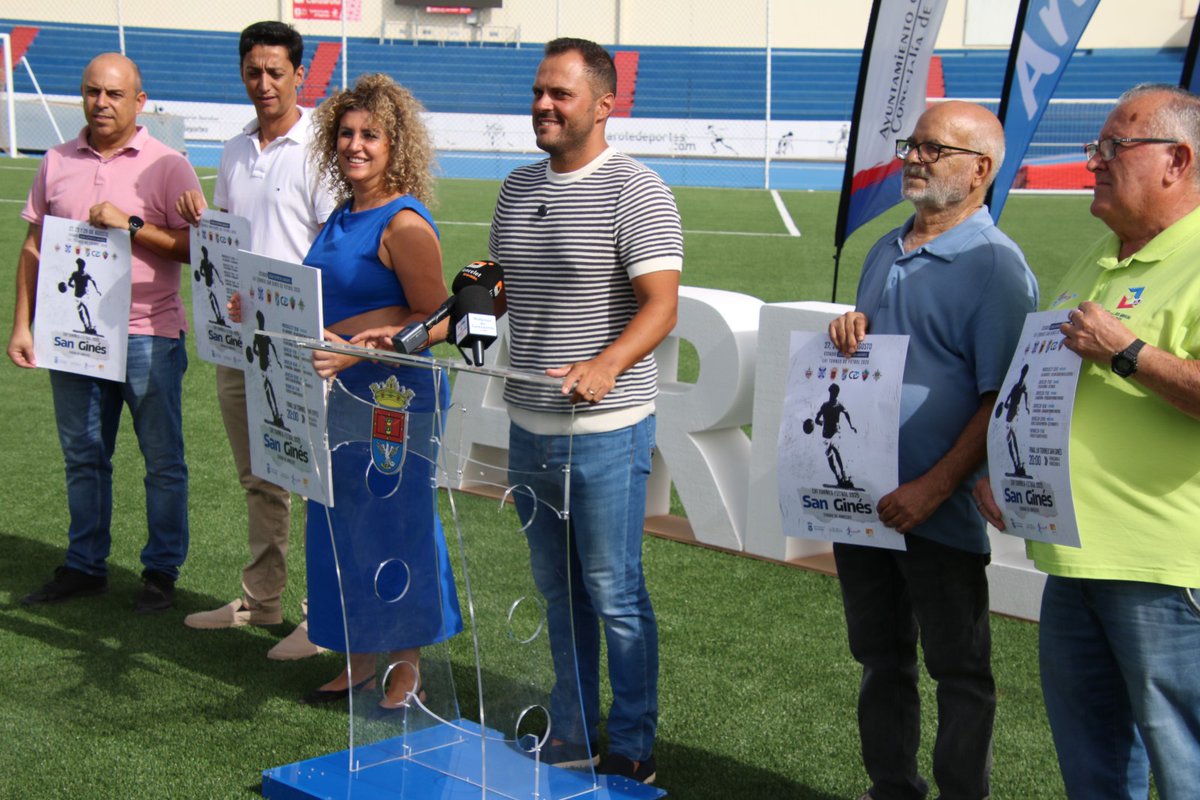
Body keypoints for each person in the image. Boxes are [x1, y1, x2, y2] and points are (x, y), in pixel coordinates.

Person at [974, 83, 1200, 799]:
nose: (1092, 163)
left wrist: (1129, 352)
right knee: (1094, 767)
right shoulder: (1097, 259)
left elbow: (1120, 359)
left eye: (1113, 147)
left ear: (1177, 160)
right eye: (1094, 148)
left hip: (1167, 569)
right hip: (1074, 559)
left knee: (1186, 763)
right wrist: (1006, 470)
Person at [827, 101, 1038, 800]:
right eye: (911, 143)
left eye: (933, 147)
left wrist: (936, 486)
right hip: (863, 504)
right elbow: (878, 355)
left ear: (979, 170)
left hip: (936, 512)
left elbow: (1000, 398)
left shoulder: (996, 268)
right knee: (880, 659)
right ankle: (891, 787)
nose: (913, 157)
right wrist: (850, 330)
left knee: (959, 671)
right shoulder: (885, 247)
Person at [487, 37, 682, 784]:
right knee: (557, 590)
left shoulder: (636, 189)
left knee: (614, 593)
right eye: (539, 90)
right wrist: (420, 332)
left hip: (604, 433)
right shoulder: (515, 186)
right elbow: (494, 288)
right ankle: (572, 727)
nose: (543, 104)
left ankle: (633, 739)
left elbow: (660, 305)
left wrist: (606, 364)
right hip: (527, 425)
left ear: (605, 105)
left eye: (560, 94)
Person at [9, 53, 200, 613]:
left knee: (162, 461)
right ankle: (84, 565)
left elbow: (198, 251)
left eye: (115, 94)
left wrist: (132, 225)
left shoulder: (168, 165)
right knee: (84, 455)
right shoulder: (56, 160)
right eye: (93, 92)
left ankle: (161, 573)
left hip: (149, 334)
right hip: (73, 336)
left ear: (139, 101)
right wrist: (24, 324)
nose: (101, 103)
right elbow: (35, 246)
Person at [297, 73, 462, 709]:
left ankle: (406, 667)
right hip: (338, 398)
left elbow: (439, 319)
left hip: (393, 399)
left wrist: (366, 343)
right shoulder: (344, 213)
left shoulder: (404, 222)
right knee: (342, 527)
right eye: (345, 133)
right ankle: (358, 661)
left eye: (371, 135)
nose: (355, 145)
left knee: (396, 525)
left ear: (397, 145)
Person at [174, 21, 337, 661]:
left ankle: (320, 616)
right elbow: (231, 241)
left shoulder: (321, 148)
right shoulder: (235, 148)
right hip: (240, 337)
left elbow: (331, 240)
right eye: (253, 71)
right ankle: (263, 598)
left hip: (301, 341)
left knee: (314, 479)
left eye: (276, 71)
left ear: (300, 74)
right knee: (258, 472)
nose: (263, 83)